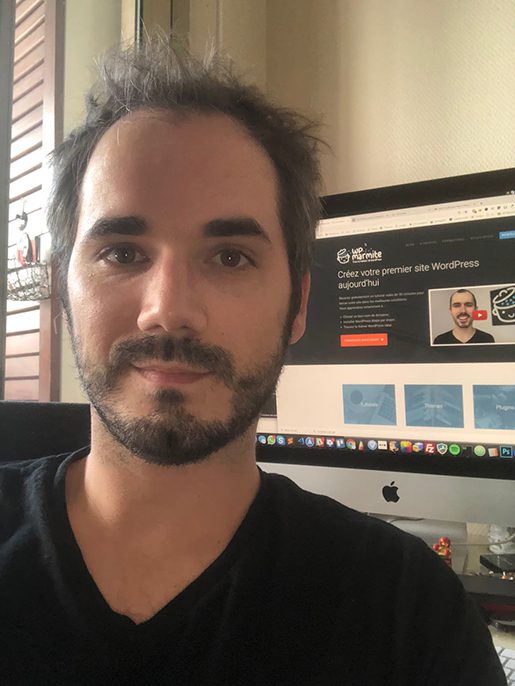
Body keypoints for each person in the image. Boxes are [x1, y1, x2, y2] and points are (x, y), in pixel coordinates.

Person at [0, 36, 506, 685]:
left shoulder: (413, 613)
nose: (169, 310)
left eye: (230, 257)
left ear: (298, 304)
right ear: (62, 292)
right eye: (122, 253)